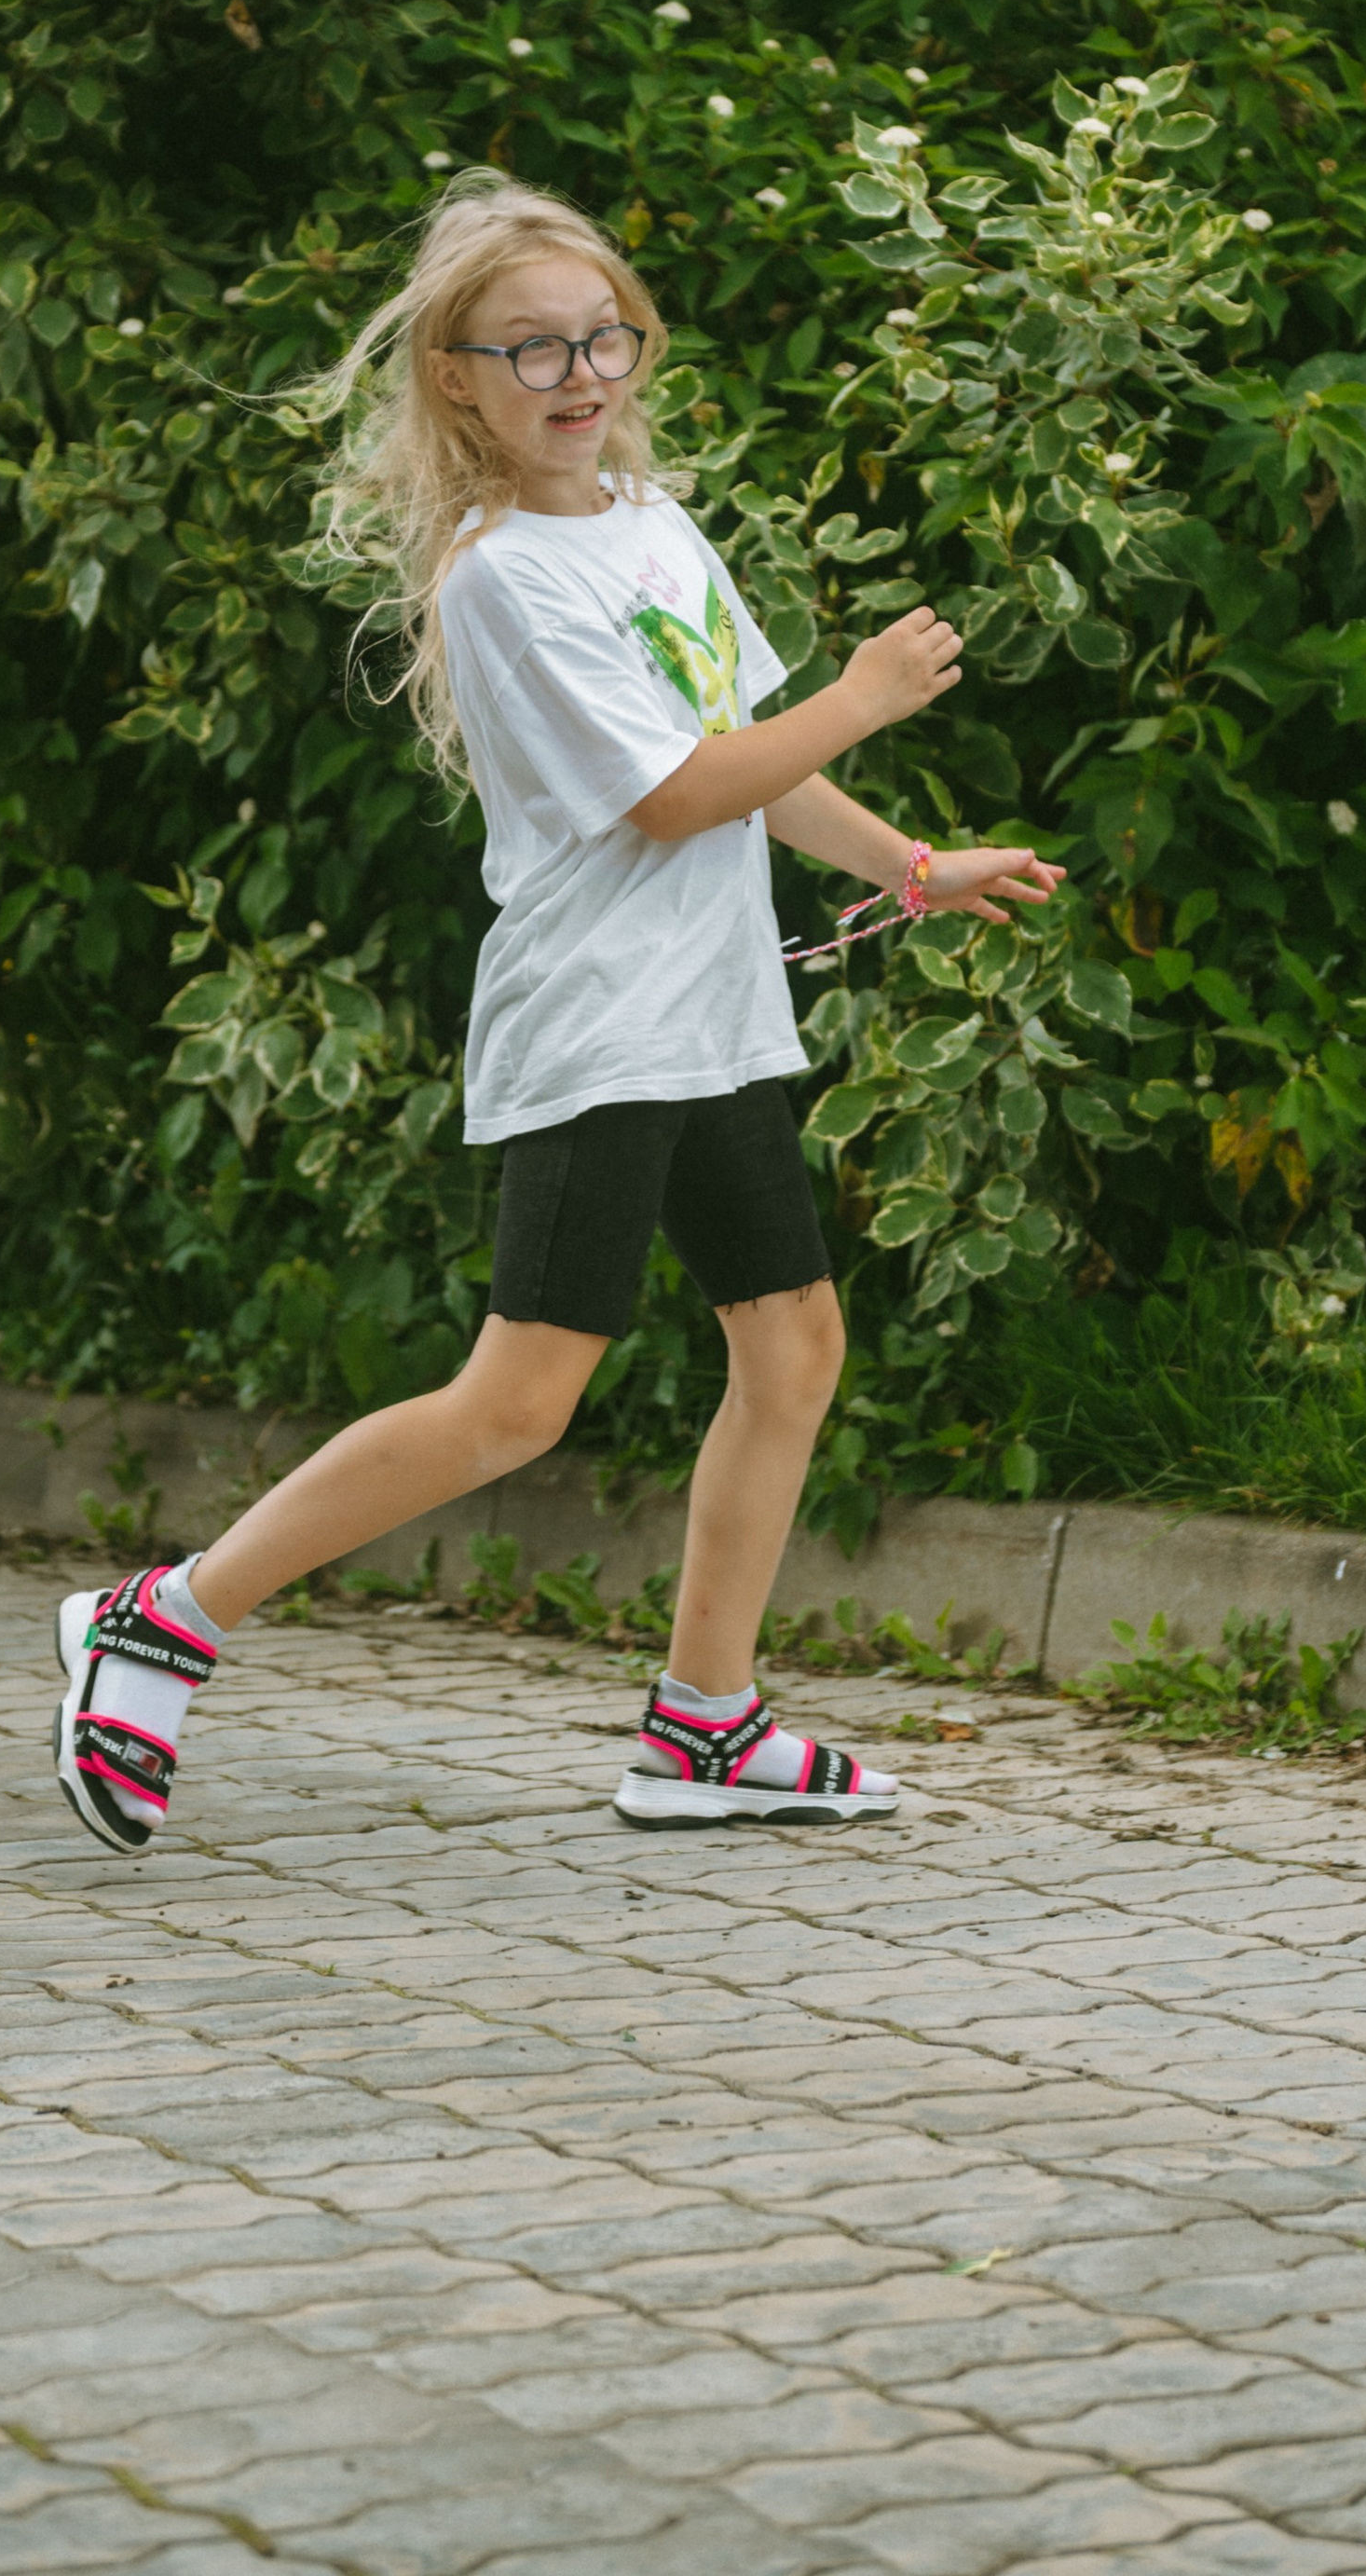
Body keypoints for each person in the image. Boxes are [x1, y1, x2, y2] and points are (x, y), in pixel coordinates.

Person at [53, 172, 1064, 1853]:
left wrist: (910, 865)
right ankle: (162, 1619)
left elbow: (752, 765)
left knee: (794, 1347)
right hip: (604, 1027)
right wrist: (862, 696)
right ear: (456, 379)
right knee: (516, 1404)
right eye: (532, 348)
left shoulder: (654, 525)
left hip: (711, 1019)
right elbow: (676, 795)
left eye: (604, 337)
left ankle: (705, 1725)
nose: (578, 374)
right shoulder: (500, 578)